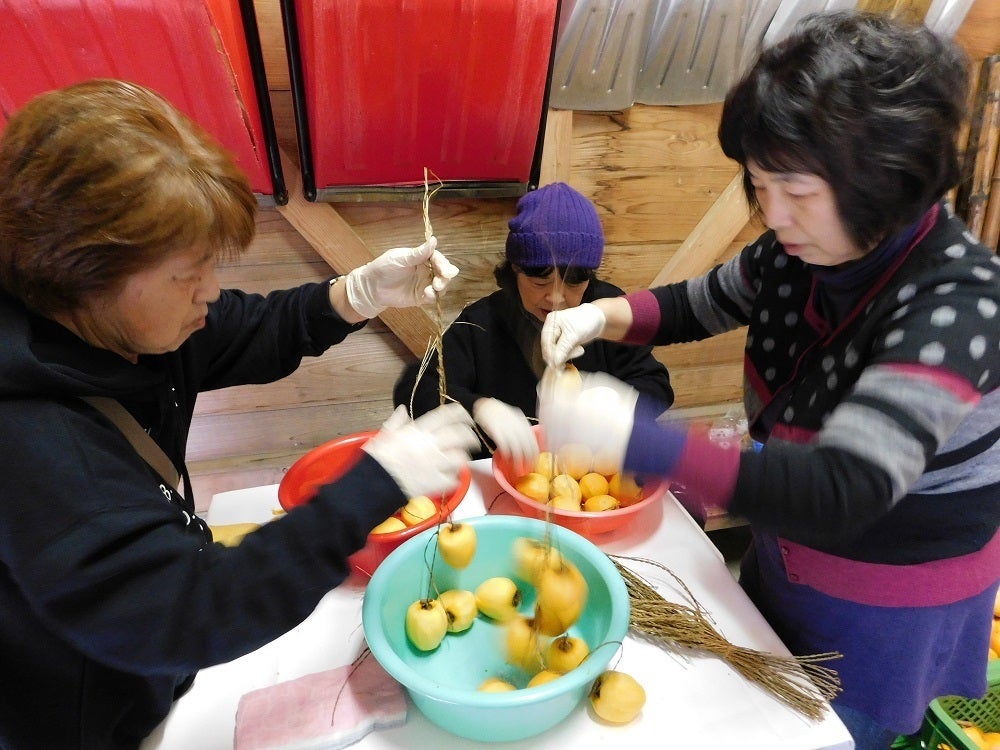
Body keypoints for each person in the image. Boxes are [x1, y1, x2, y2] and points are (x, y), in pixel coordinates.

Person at [536, 12, 1000, 750]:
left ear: (883, 178)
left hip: (887, 606)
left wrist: (635, 439)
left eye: (797, 189)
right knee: (755, 698)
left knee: (828, 734)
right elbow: (699, 303)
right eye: (759, 183)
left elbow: (843, 488)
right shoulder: (800, 248)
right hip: (788, 553)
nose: (774, 214)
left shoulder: (959, 304)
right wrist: (601, 317)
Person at [0, 79, 480, 750]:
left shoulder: (119, 327)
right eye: (188, 273)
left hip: (150, 678)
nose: (211, 291)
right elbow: (186, 607)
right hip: (85, 717)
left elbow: (242, 327)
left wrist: (354, 294)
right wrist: (372, 487)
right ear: (86, 273)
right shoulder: (33, 445)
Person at [393, 181, 673, 465]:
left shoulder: (607, 310)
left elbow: (657, 385)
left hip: (591, 468)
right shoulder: (482, 321)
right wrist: (477, 407)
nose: (556, 298)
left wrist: (616, 404)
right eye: (540, 282)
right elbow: (414, 391)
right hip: (505, 468)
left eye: (574, 283)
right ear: (514, 271)